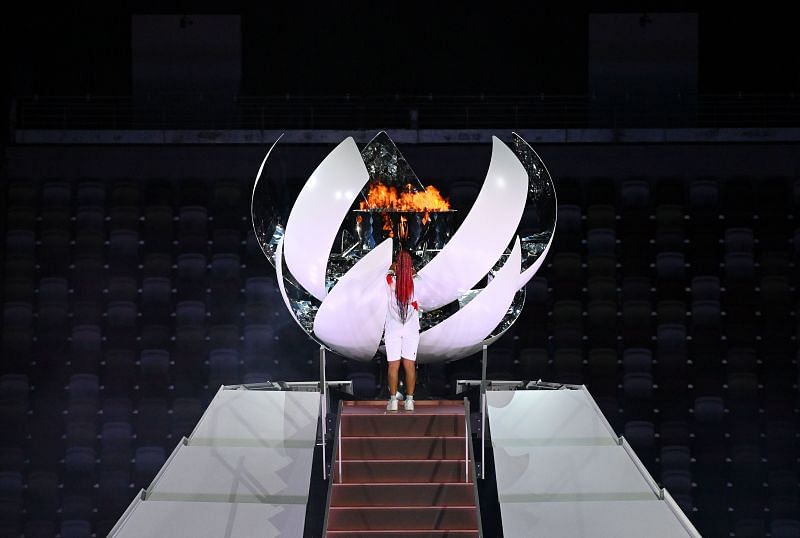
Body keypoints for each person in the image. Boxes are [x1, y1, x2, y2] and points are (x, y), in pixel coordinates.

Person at [384, 249, 419, 411]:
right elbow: (416, 276)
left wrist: (393, 266)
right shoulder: (417, 282)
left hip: (393, 329)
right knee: (409, 365)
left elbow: (388, 274)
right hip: (411, 330)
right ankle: (410, 401)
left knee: (393, 365)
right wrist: (412, 271)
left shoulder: (390, 281)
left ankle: (393, 401)